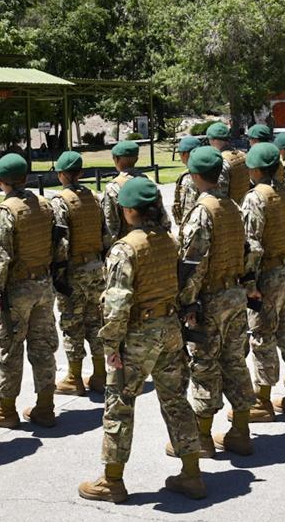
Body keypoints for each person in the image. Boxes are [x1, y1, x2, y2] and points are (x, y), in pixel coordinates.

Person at [79, 177, 205, 503]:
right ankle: (192, 474)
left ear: (131, 210)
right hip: (170, 330)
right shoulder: (169, 240)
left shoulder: (125, 248)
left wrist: (111, 346)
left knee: (119, 407)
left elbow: (117, 303)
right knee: (176, 400)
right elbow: (186, 285)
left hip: (137, 336)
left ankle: (112, 481)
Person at [177, 146, 257, 455]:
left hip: (209, 299)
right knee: (235, 360)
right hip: (234, 294)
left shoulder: (201, 211)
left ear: (195, 176)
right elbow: (249, 250)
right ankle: (240, 430)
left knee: (205, 364)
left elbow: (193, 265)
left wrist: (187, 304)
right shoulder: (233, 206)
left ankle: (202, 437)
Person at [0, 153, 60, 430]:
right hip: (44, 285)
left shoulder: (5, 212)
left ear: (0, 182)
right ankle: (46, 407)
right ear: (25, 178)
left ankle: (6, 409)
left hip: (17, 290)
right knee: (43, 346)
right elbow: (59, 246)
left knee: (10, 348)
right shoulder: (46, 205)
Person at [242, 142, 285, 419]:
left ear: (256, 169)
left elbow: (252, 245)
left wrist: (249, 283)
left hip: (267, 275)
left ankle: (262, 401)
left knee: (263, 336)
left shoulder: (255, 198)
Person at [50, 151, 107, 397]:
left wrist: (58, 274)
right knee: (95, 320)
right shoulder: (94, 198)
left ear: (61, 174)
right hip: (96, 267)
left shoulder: (60, 202)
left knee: (72, 323)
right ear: (81, 173)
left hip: (73, 270)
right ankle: (100, 373)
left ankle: (74, 377)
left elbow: (61, 243)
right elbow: (105, 234)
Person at [100, 140, 144, 247]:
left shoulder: (113, 187)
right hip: (146, 239)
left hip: (126, 243)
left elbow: (110, 221)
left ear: (116, 159)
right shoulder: (147, 181)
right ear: (136, 159)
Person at [206, 122, 249, 202]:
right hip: (244, 204)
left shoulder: (221, 161)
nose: (209, 143)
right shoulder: (242, 155)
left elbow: (220, 194)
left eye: (209, 140)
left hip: (231, 209)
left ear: (214, 140)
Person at [173, 136, 202, 229]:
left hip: (193, 228)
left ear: (184, 154)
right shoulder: (208, 170)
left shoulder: (188, 177)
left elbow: (188, 208)